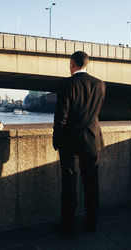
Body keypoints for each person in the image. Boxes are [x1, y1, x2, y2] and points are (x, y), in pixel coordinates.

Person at [53, 51, 105, 237]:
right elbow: (94, 113)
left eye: (70, 63)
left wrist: (56, 140)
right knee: (92, 184)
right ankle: (92, 223)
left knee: (69, 185)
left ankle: (68, 227)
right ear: (87, 64)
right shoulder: (100, 85)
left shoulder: (66, 84)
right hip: (92, 141)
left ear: (73, 63)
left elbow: (61, 117)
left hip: (70, 143)